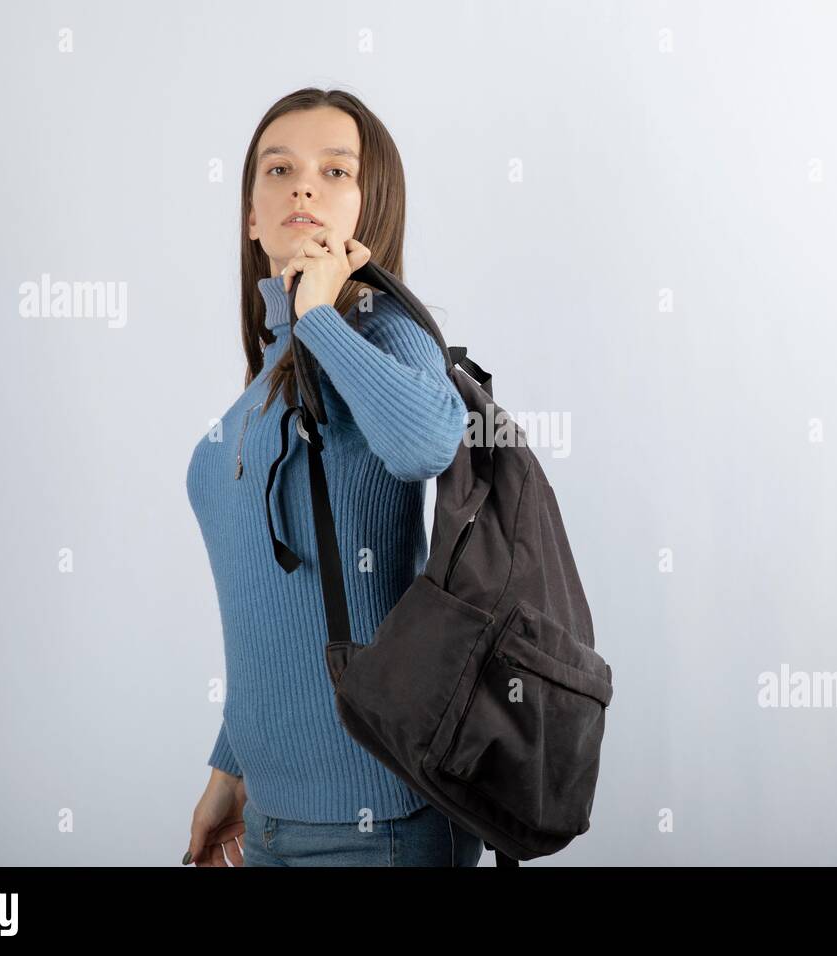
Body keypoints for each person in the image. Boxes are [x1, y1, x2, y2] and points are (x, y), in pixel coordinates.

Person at [180, 88, 479, 867]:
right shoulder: (263, 384)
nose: (302, 186)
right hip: (271, 819)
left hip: (383, 822)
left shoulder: (382, 337)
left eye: (334, 170)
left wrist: (320, 314)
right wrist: (229, 771)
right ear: (251, 214)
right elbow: (271, 612)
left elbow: (429, 442)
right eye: (278, 169)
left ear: (369, 207)